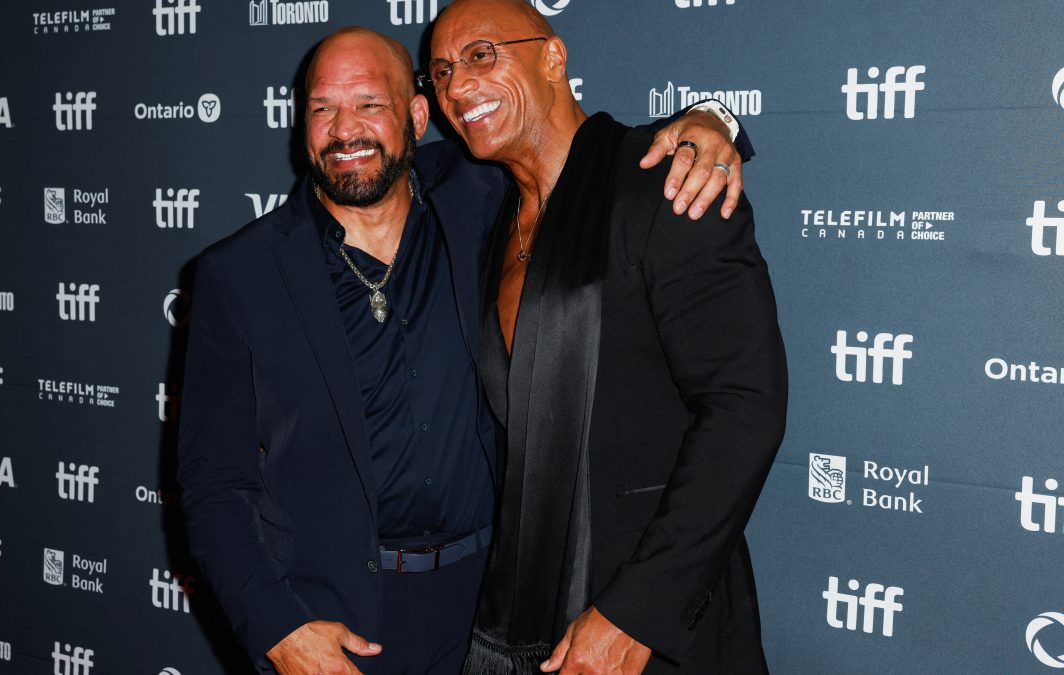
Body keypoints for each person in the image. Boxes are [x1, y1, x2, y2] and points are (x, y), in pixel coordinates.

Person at [177, 25, 752, 675]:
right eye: (322, 108)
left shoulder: (480, 196)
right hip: (336, 625)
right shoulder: (240, 274)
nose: (345, 129)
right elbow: (214, 481)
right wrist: (278, 625)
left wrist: (710, 121)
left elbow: (590, 150)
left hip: (494, 608)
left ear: (417, 116)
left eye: (370, 104)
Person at [426, 2, 788, 674]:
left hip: (654, 626)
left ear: (553, 58)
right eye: (441, 72)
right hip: (518, 620)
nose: (458, 86)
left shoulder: (666, 181)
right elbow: (363, 153)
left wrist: (637, 610)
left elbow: (745, 405)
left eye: (482, 55)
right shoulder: (484, 212)